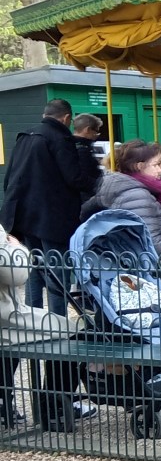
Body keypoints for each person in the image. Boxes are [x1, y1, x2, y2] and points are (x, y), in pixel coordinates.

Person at [0, 99, 101, 316]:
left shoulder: (25, 136)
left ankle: (34, 317)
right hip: (52, 217)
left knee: (34, 269)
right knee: (58, 271)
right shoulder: (60, 138)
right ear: (66, 118)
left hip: (23, 216)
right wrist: (99, 183)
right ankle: (58, 320)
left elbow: (10, 177)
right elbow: (74, 177)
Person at [71, 113, 103, 202]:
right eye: (96, 131)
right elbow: (84, 175)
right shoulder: (83, 150)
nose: (97, 135)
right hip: (86, 197)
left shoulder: (69, 145)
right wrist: (100, 186)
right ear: (87, 130)